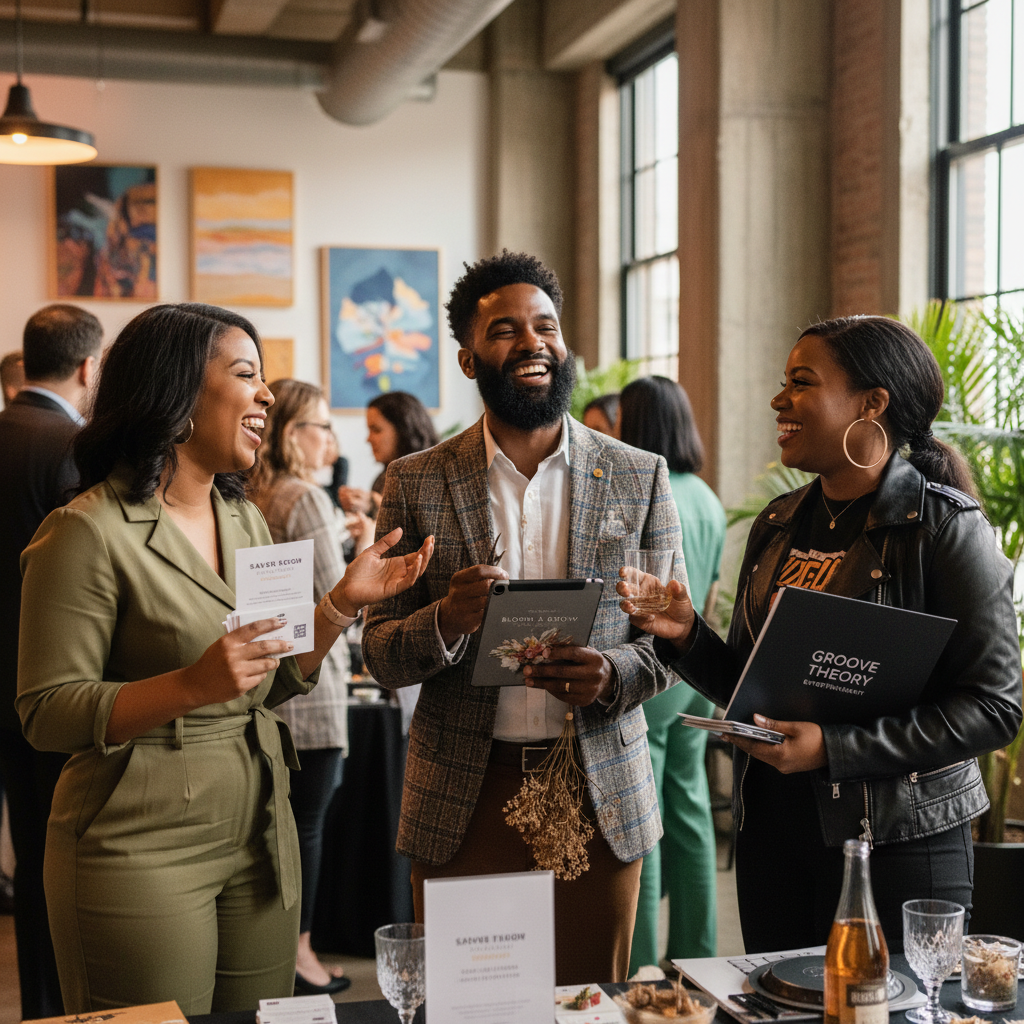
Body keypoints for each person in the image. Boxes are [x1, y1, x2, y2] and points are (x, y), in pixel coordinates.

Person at [17, 303, 433, 1015]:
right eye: (246, 375)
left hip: (260, 828)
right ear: (175, 391)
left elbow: (272, 677)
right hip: (137, 842)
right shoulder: (84, 531)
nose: (267, 394)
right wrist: (190, 685)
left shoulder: (245, 519)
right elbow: (46, 712)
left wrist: (339, 603)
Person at [620, 316, 1022, 952]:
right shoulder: (778, 525)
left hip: (896, 845)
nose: (778, 400)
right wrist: (687, 633)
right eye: (784, 382)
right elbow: (755, 689)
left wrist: (834, 749)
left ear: (871, 404)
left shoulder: (943, 529)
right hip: (773, 841)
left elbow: (995, 707)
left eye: (801, 382)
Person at [362, 251, 683, 985]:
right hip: (464, 793)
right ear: (468, 359)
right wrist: (445, 619)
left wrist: (611, 674)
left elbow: (670, 641)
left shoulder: (639, 475)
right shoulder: (415, 481)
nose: (533, 342)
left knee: (590, 1002)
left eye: (546, 326)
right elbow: (378, 652)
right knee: (470, 1004)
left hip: (598, 791)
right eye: (505, 330)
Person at [249, 379, 367, 996]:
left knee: (277, 828)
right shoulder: (306, 499)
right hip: (312, 690)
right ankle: (299, 954)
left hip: (265, 682)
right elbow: (338, 602)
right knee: (307, 827)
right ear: (293, 433)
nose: (332, 441)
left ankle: (278, 952)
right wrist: (364, 551)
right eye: (322, 426)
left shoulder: (251, 492)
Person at [0, 305, 101, 1019]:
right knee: (59, 861)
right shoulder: (71, 445)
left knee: (26, 848)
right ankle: (58, 1008)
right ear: (89, 367)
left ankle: (38, 1006)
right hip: (51, 679)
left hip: (4, 685)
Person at [618, 376, 726, 970]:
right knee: (690, 807)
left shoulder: (645, 489)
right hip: (697, 669)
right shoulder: (707, 497)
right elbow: (706, 593)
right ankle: (697, 957)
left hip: (653, 668)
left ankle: (639, 961)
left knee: (643, 813)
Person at [338, 390, 439, 517]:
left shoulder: (431, 479)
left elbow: (421, 524)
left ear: (403, 431)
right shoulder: (383, 478)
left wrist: (374, 505)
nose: (368, 439)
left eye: (376, 430)